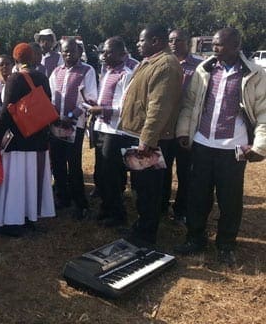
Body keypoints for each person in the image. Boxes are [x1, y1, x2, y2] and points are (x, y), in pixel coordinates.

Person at [174, 28, 266, 267]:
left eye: (219, 45)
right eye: (213, 45)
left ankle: (225, 245)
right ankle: (195, 238)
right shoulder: (204, 70)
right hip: (203, 143)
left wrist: (259, 146)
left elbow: (264, 113)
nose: (214, 49)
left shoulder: (255, 74)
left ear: (236, 45)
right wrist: (184, 131)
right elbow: (190, 103)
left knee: (230, 200)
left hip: (233, 148)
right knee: (198, 196)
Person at [118, 25, 183, 246]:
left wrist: (147, 140)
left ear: (155, 41)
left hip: (150, 139)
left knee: (148, 189)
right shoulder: (150, 62)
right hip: (139, 135)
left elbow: (158, 107)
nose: (137, 44)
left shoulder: (165, 65)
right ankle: (143, 224)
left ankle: (145, 234)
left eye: (141, 40)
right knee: (141, 186)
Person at [0, 43, 55, 237]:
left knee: (16, 181)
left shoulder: (14, 79)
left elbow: (6, 112)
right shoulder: (43, 77)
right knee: (32, 181)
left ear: (17, 59)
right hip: (37, 138)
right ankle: (29, 216)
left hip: (18, 139)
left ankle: (12, 220)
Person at [87, 37, 135, 227]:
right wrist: (96, 106)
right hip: (101, 127)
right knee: (102, 171)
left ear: (121, 54)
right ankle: (106, 208)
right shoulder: (106, 72)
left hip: (115, 131)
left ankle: (117, 214)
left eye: (108, 52)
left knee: (112, 173)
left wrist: (103, 110)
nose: (103, 56)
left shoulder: (127, 74)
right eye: (102, 52)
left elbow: (125, 107)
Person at [48, 38, 97, 219]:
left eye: (72, 51)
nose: (68, 54)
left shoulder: (87, 70)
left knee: (74, 165)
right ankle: (63, 198)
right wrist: (53, 115)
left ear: (78, 51)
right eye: (65, 51)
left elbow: (90, 99)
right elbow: (52, 97)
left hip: (74, 126)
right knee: (58, 163)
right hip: (56, 125)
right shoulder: (56, 71)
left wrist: (71, 116)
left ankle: (80, 203)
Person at [161, 29, 204, 222]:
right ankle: (161, 206)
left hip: (186, 127)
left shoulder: (199, 66)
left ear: (187, 42)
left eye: (178, 40)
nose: (174, 43)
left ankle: (181, 211)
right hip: (165, 126)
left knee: (185, 171)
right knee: (163, 168)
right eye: (170, 40)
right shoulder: (164, 63)